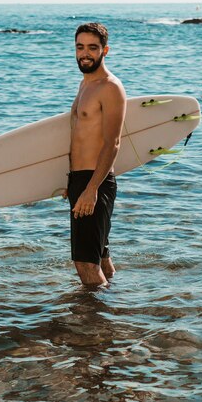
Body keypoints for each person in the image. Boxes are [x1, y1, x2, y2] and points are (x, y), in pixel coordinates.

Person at [64, 23, 126, 287]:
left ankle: (95, 323)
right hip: (80, 180)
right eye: (80, 47)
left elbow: (113, 143)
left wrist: (91, 189)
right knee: (99, 257)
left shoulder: (110, 87)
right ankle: (114, 307)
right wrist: (71, 181)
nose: (85, 54)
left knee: (85, 264)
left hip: (95, 182)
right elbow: (80, 136)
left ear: (105, 50)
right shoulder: (85, 83)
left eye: (92, 48)